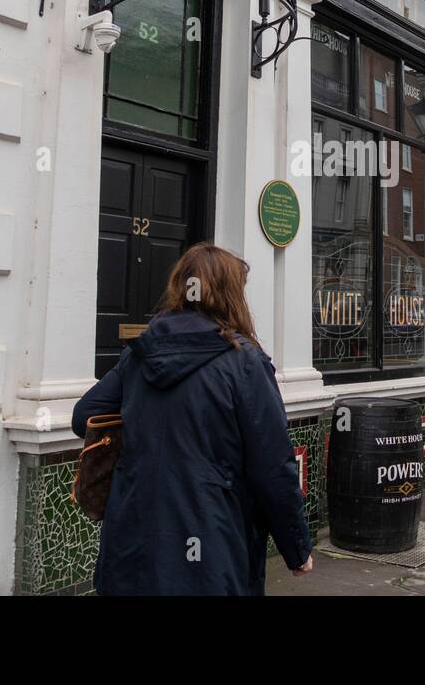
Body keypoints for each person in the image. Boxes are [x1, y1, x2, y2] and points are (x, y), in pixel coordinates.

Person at [72, 242, 313, 595]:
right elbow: (273, 466)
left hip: (132, 543)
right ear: (232, 295)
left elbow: (85, 416)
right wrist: (296, 549)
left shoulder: (141, 354)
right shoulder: (245, 363)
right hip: (209, 549)